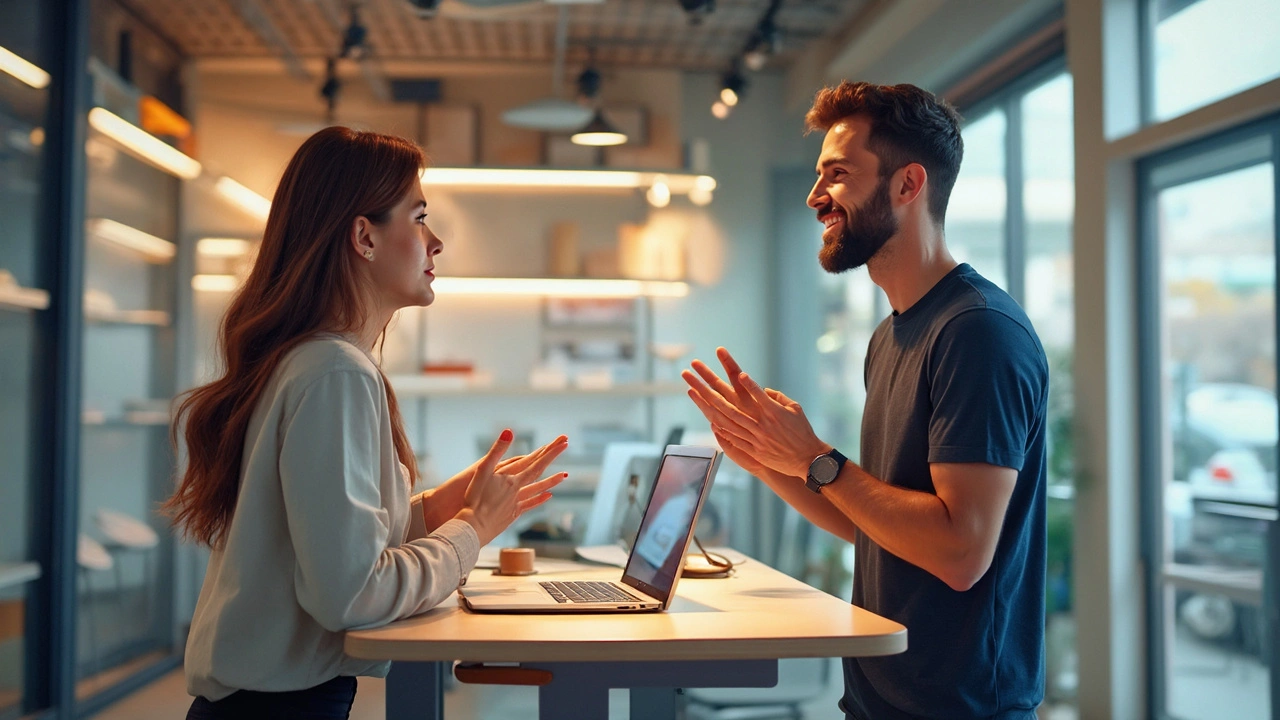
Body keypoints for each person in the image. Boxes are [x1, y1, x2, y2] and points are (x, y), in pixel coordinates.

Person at [163, 126, 569, 719]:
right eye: (419, 217)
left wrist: (438, 509)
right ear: (364, 236)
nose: (437, 242)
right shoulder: (335, 372)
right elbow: (351, 594)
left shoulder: (312, 360)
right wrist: (470, 531)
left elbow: (328, 543)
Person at [682, 82, 1048, 719]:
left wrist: (819, 459)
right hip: (878, 697)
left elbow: (962, 552)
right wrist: (771, 460)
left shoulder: (979, 331)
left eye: (838, 174)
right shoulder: (892, 334)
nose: (815, 196)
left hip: (959, 709)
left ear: (908, 185)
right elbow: (872, 526)